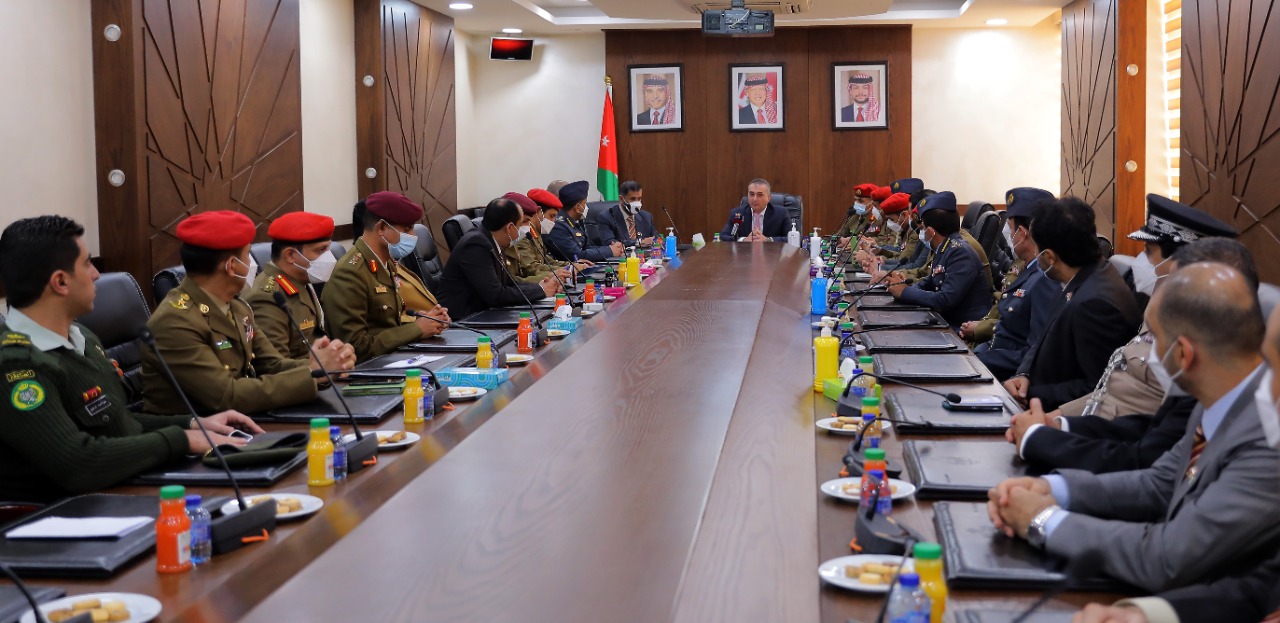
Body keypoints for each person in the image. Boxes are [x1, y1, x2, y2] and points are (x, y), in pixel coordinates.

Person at [987, 263, 1280, 593]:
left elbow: (1167, 557)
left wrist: (1043, 520)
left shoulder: (1267, 442)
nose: (1146, 351)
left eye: (1154, 339)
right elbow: (1159, 483)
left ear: (1184, 355)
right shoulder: (1217, 397)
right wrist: (1056, 489)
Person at [0, 216, 264, 501]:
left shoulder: (83, 337)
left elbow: (117, 424)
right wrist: (181, 439)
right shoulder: (16, 365)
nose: (96, 274)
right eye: (87, 264)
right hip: (61, 513)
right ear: (61, 282)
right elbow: (78, 463)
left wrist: (193, 424)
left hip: (119, 489)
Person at [1072, 307, 1280, 623]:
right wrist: (1147, 615)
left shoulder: (1266, 450)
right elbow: (1260, 588)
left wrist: (1043, 520)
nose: (1263, 386)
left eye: (1272, 368)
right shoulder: (1217, 407)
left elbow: (1173, 554)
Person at [1006, 238, 1260, 475]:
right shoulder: (1200, 380)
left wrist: (1042, 441)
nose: (1163, 288)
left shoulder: (1254, 432)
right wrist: (1058, 424)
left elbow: (1146, 466)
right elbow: (1147, 429)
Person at [142, 211, 354, 416]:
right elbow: (227, 395)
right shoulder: (175, 322)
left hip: (241, 420)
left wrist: (324, 364)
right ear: (232, 266)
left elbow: (272, 364)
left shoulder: (236, 306)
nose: (253, 264)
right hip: (197, 432)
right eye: (248, 255)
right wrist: (311, 374)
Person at [1005, 198, 1141, 411]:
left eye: (1037, 249)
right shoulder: (1081, 275)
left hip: (1055, 415)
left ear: (1049, 257)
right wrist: (1024, 374)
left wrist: (1030, 394)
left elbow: (1098, 387)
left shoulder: (1095, 304)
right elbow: (1043, 338)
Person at [322, 192, 450, 362]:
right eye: (407, 229)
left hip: (393, 358)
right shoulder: (350, 273)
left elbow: (387, 324)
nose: (413, 236)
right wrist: (417, 329)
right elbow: (355, 346)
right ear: (381, 228)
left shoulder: (385, 262)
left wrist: (426, 320)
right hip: (368, 369)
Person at [971, 187, 1059, 380]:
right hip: (992, 357)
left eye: (1010, 228)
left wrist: (980, 361)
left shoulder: (1046, 278)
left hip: (1010, 377)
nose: (1009, 235)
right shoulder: (1025, 266)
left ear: (1022, 232)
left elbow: (1035, 352)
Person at [438, 198, 561, 319]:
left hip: (484, 313)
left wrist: (540, 286)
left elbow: (509, 283)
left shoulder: (493, 241)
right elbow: (495, 295)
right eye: (520, 225)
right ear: (509, 228)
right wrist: (541, 290)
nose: (523, 230)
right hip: (463, 319)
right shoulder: (476, 244)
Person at [887, 191, 993, 328]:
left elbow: (945, 300)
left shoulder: (960, 252)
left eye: (923, 227)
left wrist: (905, 292)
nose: (921, 232)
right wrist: (901, 288)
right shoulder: (944, 248)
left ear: (931, 232)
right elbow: (929, 282)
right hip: (946, 321)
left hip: (962, 330)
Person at [244, 212, 339, 360]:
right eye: (321, 250)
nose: (329, 257)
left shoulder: (303, 281)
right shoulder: (268, 297)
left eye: (328, 249)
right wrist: (326, 364)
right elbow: (276, 365)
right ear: (290, 255)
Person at [1124, 194, 1235, 304]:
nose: (1142, 259)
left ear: (1181, 260)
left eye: (1149, 251)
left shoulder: (1206, 311)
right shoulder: (1148, 297)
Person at [501, 192, 573, 284]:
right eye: (551, 216)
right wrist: (552, 275)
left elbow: (545, 260)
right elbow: (527, 269)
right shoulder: (521, 235)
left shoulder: (534, 233)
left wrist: (569, 267)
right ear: (538, 212)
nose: (553, 222)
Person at [546, 180, 623, 263]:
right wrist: (610, 251)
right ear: (577, 207)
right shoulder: (558, 226)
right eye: (584, 203)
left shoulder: (574, 222)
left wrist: (611, 248)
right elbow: (577, 256)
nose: (586, 207)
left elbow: (586, 248)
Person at [720, 178, 789, 242]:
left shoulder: (781, 213)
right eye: (752, 194)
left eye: (760, 195)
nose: (754, 199)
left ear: (768, 198)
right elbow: (723, 236)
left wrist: (768, 240)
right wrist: (744, 240)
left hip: (771, 251)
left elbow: (792, 238)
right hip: (745, 251)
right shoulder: (737, 213)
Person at [594, 180, 657, 247]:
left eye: (639, 199)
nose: (637, 203)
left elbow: (656, 239)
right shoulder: (606, 217)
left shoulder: (646, 217)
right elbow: (609, 242)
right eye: (632, 199)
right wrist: (638, 243)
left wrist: (655, 241)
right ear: (621, 199)